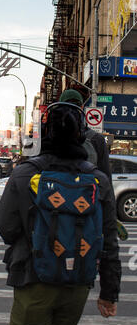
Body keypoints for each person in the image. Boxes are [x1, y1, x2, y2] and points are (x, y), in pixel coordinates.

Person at [0, 102, 121, 325]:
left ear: (44, 133)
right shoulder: (98, 180)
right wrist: (109, 292)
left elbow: (6, 228)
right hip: (77, 282)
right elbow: (108, 239)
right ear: (81, 134)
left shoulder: (24, 174)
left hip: (34, 278)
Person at [60, 88, 128, 241]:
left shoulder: (49, 140)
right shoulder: (95, 139)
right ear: (82, 108)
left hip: (56, 216)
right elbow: (106, 184)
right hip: (87, 213)